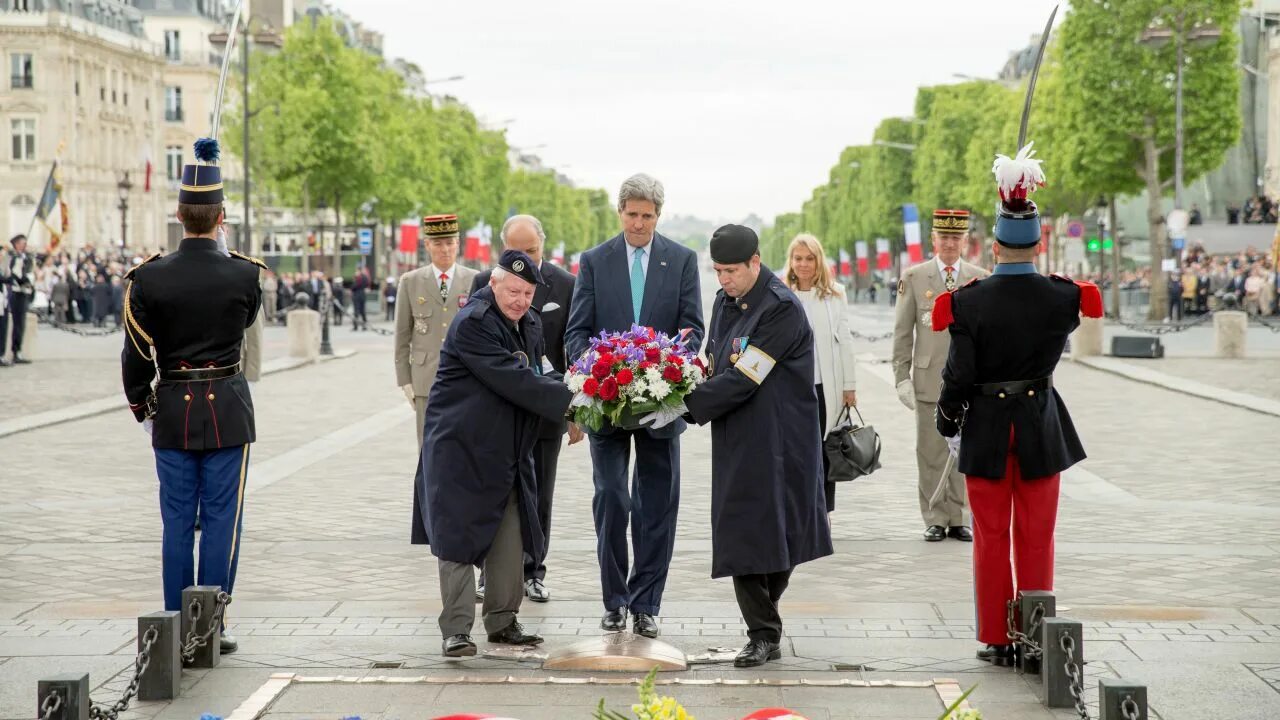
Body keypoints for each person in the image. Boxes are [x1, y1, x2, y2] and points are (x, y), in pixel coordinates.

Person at [933, 143, 1099, 665]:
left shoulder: (965, 300)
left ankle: (998, 637)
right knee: (1036, 535)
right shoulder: (1066, 296)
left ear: (996, 243)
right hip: (1039, 426)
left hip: (984, 426)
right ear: (1039, 241)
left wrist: (947, 414)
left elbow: (959, 372)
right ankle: (1037, 635)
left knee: (989, 536)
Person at [120, 137, 263, 655]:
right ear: (221, 217)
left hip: (173, 411)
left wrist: (144, 409)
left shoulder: (148, 279)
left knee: (178, 521)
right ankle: (211, 627)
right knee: (222, 520)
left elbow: (136, 357)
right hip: (227, 405)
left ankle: (178, 627)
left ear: (179, 216)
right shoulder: (245, 273)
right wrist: (222, 252)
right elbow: (245, 321)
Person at [681, 225, 833, 668]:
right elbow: (714, 359)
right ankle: (763, 632)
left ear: (755, 262)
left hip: (782, 439)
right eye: (717, 271)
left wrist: (687, 407)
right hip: (738, 435)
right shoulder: (724, 301)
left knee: (782, 533)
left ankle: (764, 628)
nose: (724, 279)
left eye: (731, 270)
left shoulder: (780, 307)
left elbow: (748, 373)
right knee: (743, 533)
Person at [413, 250, 574, 657]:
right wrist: (572, 400)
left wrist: (578, 386)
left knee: (509, 536)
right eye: (513, 291)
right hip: (461, 449)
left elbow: (541, 368)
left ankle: (503, 621)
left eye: (527, 293)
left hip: (506, 449)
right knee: (457, 540)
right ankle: (456, 630)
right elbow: (516, 379)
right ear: (494, 283)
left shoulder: (530, 322)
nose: (520, 300)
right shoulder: (474, 323)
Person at [565, 173, 704, 638]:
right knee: (611, 498)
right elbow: (576, 331)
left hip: (660, 409)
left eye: (647, 216)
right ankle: (614, 601)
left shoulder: (681, 260)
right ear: (620, 212)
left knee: (656, 507)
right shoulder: (594, 261)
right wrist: (594, 370)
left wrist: (670, 371)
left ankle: (646, 603)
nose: (639, 223)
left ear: (658, 216)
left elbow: (693, 328)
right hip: (605, 408)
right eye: (632, 214)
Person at [470, 215, 583, 603]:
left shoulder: (566, 285)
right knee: (496, 492)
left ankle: (534, 570)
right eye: (514, 252)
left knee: (541, 493)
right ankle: (491, 572)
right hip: (498, 412)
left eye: (531, 251)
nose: (524, 258)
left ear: (543, 246)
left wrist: (574, 410)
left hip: (545, 410)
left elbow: (572, 351)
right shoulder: (483, 282)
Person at [892, 209, 988, 542]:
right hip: (929, 380)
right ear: (933, 240)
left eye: (955, 238)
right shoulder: (916, 277)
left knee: (965, 451)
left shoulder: (981, 278)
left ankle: (959, 516)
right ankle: (934, 515)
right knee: (931, 451)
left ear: (965, 242)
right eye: (943, 238)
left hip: (970, 383)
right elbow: (903, 332)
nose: (949, 244)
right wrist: (901, 375)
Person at [781, 233, 857, 512]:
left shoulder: (836, 294)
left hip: (826, 385)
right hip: (792, 388)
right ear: (790, 261)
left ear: (818, 261)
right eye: (798, 258)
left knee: (826, 449)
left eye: (809, 258)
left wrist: (850, 386)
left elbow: (845, 341)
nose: (803, 264)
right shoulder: (781, 294)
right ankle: (798, 508)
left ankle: (823, 511)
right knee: (796, 449)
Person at [396, 214, 478, 448]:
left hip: (465, 376)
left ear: (458, 243)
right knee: (428, 445)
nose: (445, 249)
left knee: (464, 444)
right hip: (425, 378)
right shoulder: (410, 282)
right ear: (427, 244)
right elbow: (402, 336)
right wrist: (405, 380)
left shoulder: (474, 280)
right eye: (439, 243)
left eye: (450, 242)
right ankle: (428, 486)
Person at [2, 234, 36, 364]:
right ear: (16, 244)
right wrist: (23, 280)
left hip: (24, 292)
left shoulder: (25, 257)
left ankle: (18, 349)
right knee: (18, 323)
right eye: (22, 243)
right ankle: (15, 351)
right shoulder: (13, 257)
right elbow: (13, 274)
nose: (25, 245)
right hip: (17, 292)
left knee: (21, 323)